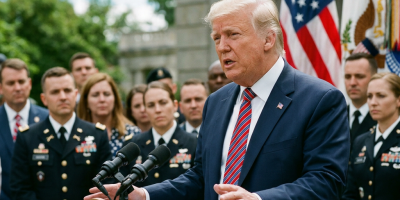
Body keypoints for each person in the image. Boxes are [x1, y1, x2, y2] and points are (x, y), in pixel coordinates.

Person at [84, 0, 349, 199]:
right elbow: (202, 177)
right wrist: (144, 195)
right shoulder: (217, 102)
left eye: (233, 34)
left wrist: (258, 199)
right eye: (216, 38)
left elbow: (326, 181)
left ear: (268, 38)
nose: (222, 46)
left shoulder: (320, 100)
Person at [10, 67, 111, 200]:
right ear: (44, 99)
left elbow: (106, 185)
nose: (62, 97)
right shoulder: (27, 137)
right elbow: (20, 189)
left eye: (67, 90)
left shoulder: (97, 134)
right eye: (55, 92)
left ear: (75, 94)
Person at [121, 81, 197, 187]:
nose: (157, 110)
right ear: (146, 110)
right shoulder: (133, 145)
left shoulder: (194, 143)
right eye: (151, 105)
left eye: (163, 103)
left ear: (175, 106)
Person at [342, 72, 400, 200]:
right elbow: (350, 192)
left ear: (398, 100)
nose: (373, 103)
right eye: (369, 96)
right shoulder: (361, 141)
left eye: (381, 96)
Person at [0, 59, 48, 200]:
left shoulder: (48, 119)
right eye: (11, 83)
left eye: (21, 81)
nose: (17, 88)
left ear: (30, 84)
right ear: (1, 87)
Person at [78, 73, 141, 158]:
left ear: (115, 99)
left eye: (106, 94)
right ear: (86, 102)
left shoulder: (133, 133)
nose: (102, 99)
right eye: (95, 95)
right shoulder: (77, 136)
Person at [344, 53, 377, 147]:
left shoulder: (385, 118)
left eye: (360, 76)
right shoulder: (335, 116)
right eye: (348, 77)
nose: (352, 83)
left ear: (374, 78)